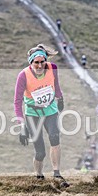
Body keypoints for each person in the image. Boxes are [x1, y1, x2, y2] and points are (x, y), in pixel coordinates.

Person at [14, 44, 69, 186]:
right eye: (36, 62)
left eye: (42, 62)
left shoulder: (52, 68)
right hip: (33, 114)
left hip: (50, 110)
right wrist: (21, 125)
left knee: (54, 137)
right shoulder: (23, 75)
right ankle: (39, 176)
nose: (39, 65)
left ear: (45, 60)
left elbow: (56, 85)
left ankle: (57, 173)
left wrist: (60, 98)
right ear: (31, 62)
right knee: (40, 152)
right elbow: (17, 101)